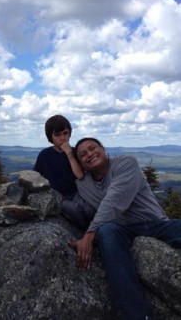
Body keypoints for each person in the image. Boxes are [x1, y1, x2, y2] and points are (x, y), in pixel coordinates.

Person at [68, 137, 181, 320]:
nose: (89, 154)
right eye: (83, 154)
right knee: (107, 232)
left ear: (103, 149)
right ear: (81, 163)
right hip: (121, 229)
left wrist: (89, 234)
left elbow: (114, 201)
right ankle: (137, 316)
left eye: (93, 148)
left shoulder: (126, 162)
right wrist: (67, 151)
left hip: (154, 224)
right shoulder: (83, 184)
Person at [33, 115, 90, 228]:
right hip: (58, 196)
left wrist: (69, 154)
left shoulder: (75, 153)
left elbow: (80, 175)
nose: (63, 138)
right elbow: (35, 177)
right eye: (57, 135)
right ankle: (86, 234)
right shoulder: (45, 155)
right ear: (51, 137)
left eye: (65, 133)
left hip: (77, 194)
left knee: (90, 209)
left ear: (70, 133)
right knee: (75, 211)